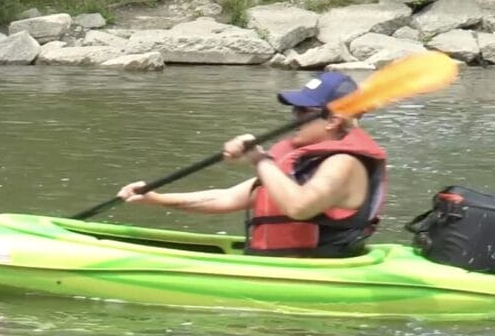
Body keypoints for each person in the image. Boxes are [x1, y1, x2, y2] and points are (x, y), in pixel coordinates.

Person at [113, 70, 389, 256]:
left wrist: (259, 159)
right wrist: (156, 199)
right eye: (294, 109)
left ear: (333, 120)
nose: (293, 117)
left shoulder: (343, 163)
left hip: (315, 271)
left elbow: (299, 207)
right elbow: (225, 198)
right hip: (278, 265)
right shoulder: (303, 161)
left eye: (303, 110)